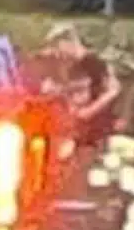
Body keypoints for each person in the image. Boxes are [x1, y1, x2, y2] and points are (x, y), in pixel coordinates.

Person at [40, 23, 122, 153]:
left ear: (68, 42)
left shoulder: (93, 62)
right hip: (76, 128)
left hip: (95, 130)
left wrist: (90, 110)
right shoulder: (67, 65)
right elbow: (72, 90)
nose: (56, 53)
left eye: (57, 47)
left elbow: (113, 90)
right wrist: (56, 90)